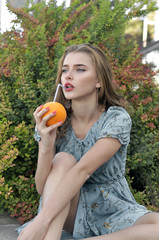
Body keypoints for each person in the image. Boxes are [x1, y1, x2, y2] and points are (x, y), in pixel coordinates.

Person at [17, 44, 159, 240]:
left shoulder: (116, 118)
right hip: (68, 208)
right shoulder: (53, 119)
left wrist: (40, 223)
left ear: (99, 81)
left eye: (80, 69)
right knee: (63, 159)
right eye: (65, 70)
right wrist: (46, 145)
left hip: (112, 209)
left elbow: (84, 169)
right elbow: (43, 189)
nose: (68, 76)